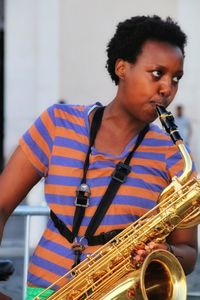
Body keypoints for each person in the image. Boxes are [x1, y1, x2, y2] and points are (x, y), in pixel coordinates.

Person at [0, 15, 198, 299]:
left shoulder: (175, 157)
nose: (167, 88)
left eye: (175, 78)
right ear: (122, 68)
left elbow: (189, 251)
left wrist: (168, 252)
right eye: (157, 73)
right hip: (43, 291)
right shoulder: (58, 123)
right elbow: (2, 204)